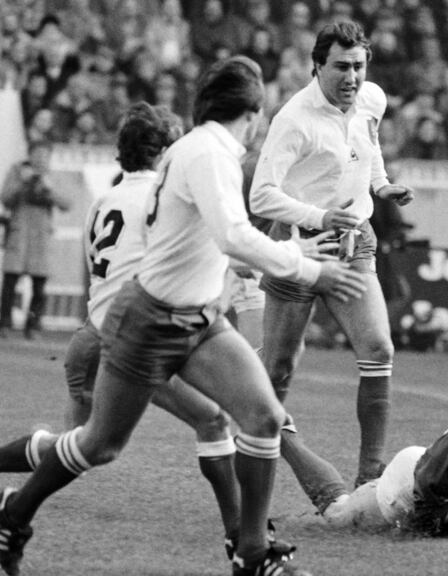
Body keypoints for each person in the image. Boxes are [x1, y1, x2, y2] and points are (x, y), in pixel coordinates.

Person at [0, 56, 368, 576]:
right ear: (255, 111)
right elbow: (232, 235)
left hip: (196, 317)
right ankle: (13, 516)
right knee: (98, 445)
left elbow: (205, 239)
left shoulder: (197, 149)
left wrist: (267, 261)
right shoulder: (207, 153)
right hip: (149, 322)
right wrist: (310, 269)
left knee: (263, 417)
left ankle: (252, 554)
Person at [0, 102, 261, 561]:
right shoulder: (163, 200)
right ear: (164, 152)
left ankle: (12, 509)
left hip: (92, 336)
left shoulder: (105, 201)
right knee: (207, 420)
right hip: (131, 338)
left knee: (80, 447)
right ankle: (240, 537)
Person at [248, 19, 415, 499]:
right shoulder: (293, 119)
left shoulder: (372, 100)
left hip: (354, 243)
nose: (352, 77)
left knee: (379, 349)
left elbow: (369, 149)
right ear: (316, 66)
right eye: (341, 67)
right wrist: (319, 216)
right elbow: (262, 197)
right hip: (300, 246)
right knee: (277, 371)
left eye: (359, 66)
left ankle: (370, 480)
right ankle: (271, 459)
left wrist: (381, 186)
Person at [291, 371, 448, 537]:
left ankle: (368, 483)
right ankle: (282, 433)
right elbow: (424, 513)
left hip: (433, 474)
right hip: (410, 485)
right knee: (337, 517)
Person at [0, 140, 69, 339]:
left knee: (39, 286)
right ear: (30, 155)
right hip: (19, 234)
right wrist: (23, 182)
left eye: (45, 155)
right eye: (37, 154)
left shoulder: (52, 177)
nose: (40, 159)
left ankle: (33, 324)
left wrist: (49, 189)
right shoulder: (17, 172)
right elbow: (5, 198)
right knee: (10, 282)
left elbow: (66, 203)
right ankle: (4, 323)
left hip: (41, 238)